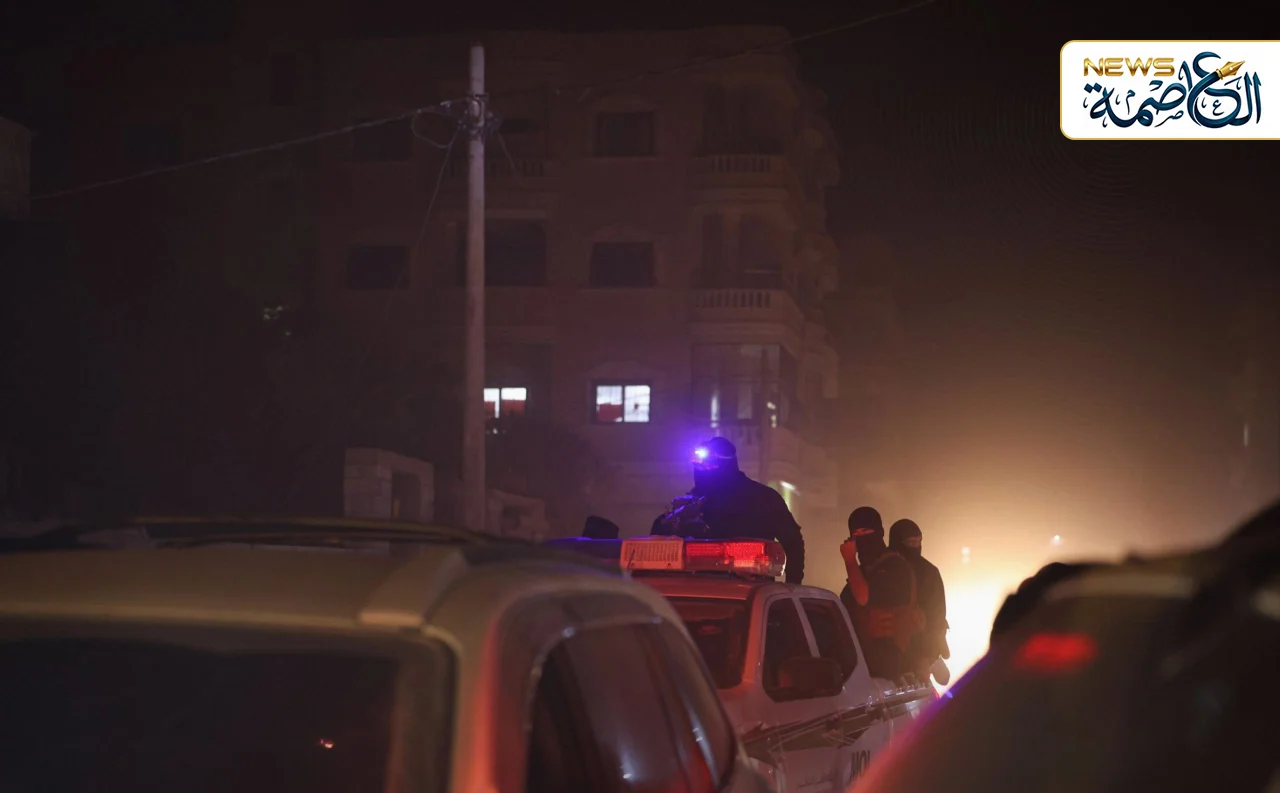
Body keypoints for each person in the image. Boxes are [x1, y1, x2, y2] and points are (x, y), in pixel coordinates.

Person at [652, 437, 805, 584]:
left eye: (708, 467)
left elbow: (793, 542)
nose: (702, 472)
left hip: (749, 592)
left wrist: (792, 584)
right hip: (695, 590)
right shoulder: (689, 505)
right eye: (699, 467)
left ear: (726, 466)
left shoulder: (762, 499)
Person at [839, 506, 923, 683]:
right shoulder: (867, 569)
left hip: (892, 669)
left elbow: (863, 598)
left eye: (866, 531)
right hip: (867, 667)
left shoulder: (893, 566)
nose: (860, 538)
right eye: (856, 533)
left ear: (879, 532)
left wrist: (849, 560)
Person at [889, 519, 950, 684]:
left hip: (923, 642)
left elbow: (937, 614)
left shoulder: (929, 572)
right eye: (910, 543)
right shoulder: (884, 571)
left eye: (918, 542)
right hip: (894, 647)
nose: (915, 547)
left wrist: (928, 654)